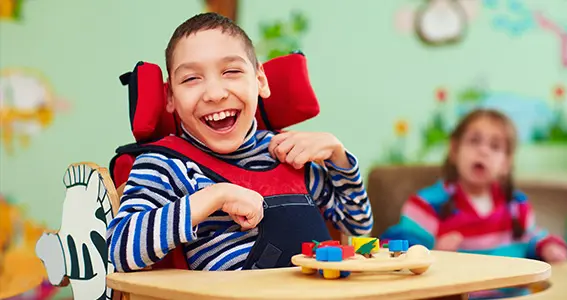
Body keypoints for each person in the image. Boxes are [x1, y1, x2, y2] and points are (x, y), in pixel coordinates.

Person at [106, 12, 372, 272]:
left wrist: (338, 155)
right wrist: (214, 196)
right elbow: (117, 249)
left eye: (231, 71)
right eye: (191, 79)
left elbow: (357, 225)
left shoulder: (287, 153)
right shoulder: (166, 164)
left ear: (260, 81)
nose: (215, 94)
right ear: (170, 98)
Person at [381, 109, 567, 297]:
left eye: (495, 146)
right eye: (474, 141)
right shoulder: (427, 205)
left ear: (506, 164)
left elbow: (534, 238)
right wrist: (432, 254)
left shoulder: (516, 206)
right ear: (454, 150)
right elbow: (392, 250)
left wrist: (549, 247)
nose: (483, 151)